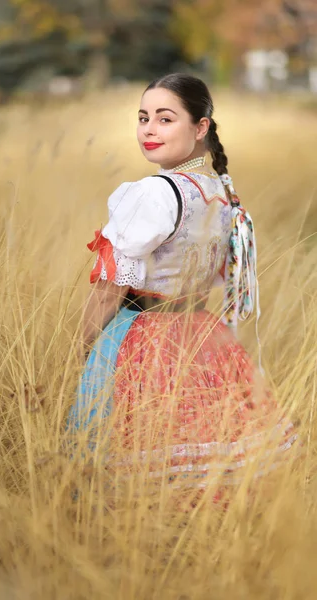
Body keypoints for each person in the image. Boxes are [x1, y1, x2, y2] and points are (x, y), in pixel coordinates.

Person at [68, 74, 298, 492]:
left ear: (200, 128)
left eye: (165, 118)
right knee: (201, 454)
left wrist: (81, 349)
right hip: (203, 337)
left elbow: (109, 290)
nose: (149, 130)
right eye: (143, 118)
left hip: (140, 336)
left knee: (124, 461)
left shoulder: (153, 194)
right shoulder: (219, 194)